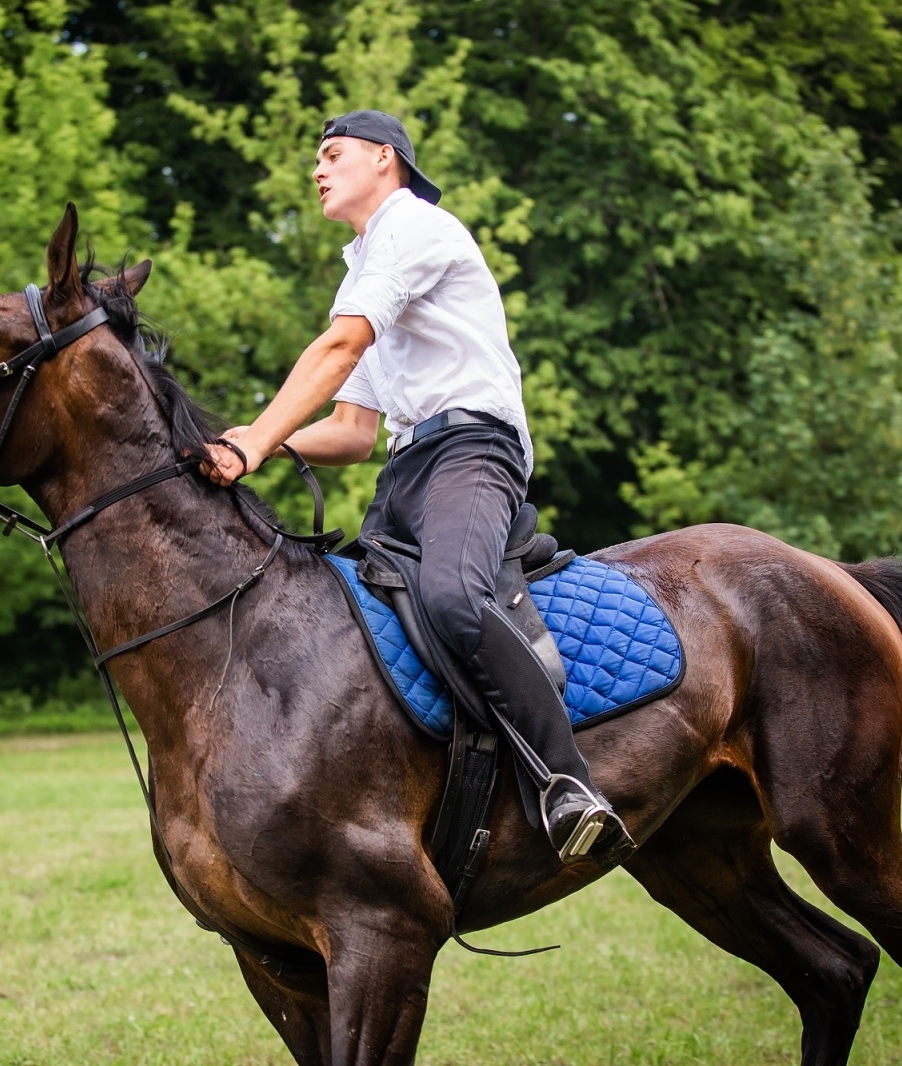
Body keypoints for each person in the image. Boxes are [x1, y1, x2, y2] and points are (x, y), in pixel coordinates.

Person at [201, 110, 631, 866]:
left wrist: (258, 439)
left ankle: (568, 783)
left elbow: (341, 346)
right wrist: (252, 441)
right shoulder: (362, 269)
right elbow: (352, 433)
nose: (317, 170)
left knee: (453, 597)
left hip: (473, 449)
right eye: (317, 159)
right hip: (404, 469)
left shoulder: (413, 227)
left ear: (384, 159)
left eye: (332, 154)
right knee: (342, 621)